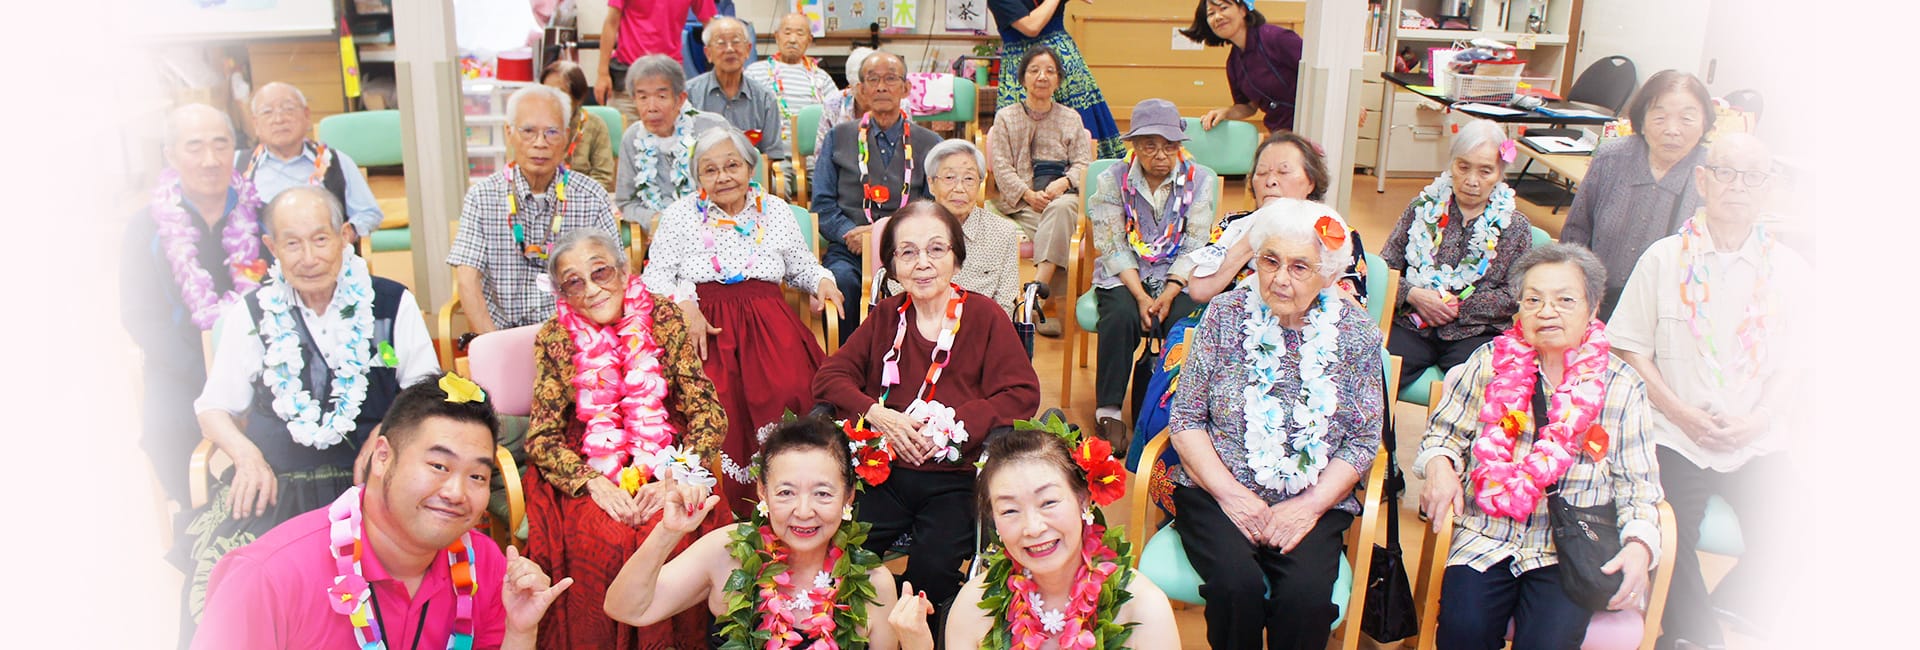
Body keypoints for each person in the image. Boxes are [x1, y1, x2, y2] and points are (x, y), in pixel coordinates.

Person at [185, 186, 441, 632]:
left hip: (369, 483)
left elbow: (427, 389)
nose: (308, 257)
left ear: (345, 236)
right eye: (292, 242)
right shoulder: (252, 313)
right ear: (271, 248)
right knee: (231, 586)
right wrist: (246, 457)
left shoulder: (391, 303)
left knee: (397, 589)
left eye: (320, 239)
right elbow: (213, 408)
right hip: (279, 482)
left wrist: (388, 431)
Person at [193, 374, 571, 649]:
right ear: (383, 457)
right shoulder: (268, 577)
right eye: (439, 466)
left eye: (476, 475)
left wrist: (520, 633)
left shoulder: (486, 565)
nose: (457, 492)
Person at [1415, 243, 1663, 650]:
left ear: (1593, 307)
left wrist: (1639, 545)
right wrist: (1440, 466)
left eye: (1565, 300)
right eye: (1533, 300)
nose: (1547, 311)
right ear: (1519, 309)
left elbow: (1639, 487)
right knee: (1463, 629)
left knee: (1550, 641)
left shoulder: (1621, 385)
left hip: (1566, 547)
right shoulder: (1488, 363)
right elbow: (1443, 434)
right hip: (1486, 536)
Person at [1609, 134, 1804, 650]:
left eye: (1752, 177)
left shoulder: (1791, 272)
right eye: (1725, 173)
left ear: (1770, 188)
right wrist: (1679, 411)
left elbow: (1794, 364)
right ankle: (1695, 638)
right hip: (1674, 434)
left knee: (1802, 521)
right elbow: (1628, 349)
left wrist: (1759, 421)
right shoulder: (1663, 259)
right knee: (1671, 535)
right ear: (1702, 180)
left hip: (1754, 436)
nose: (1737, 187)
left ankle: (1734, 602)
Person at [1162, 206, 1384, 650]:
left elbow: (1362, 439)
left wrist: (1311, 505)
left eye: (1299, 266)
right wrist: (1233, 495)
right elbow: (1186, 419)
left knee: (1305, 600)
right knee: (1235, 587)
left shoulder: (1358, 333)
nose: (1280, 278)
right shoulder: (1224, 315)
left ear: (1326, 273)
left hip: (1311, 498)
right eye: (1270, 261)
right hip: (1216, 490)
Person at [812, 201, 1042, 611]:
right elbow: (829, 378)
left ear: (956, 259)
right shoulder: (885, 315)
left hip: (954, 478)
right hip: (883, 473)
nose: (923, 263)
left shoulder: (985, 316)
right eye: (908, 252)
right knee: (839, 552)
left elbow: (1021, 392)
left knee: (932, 573)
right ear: (893, 266)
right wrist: (878, 415)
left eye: (936, 249)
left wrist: (955, 424)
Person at [522, 228, 734, 648]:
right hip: (587, 465)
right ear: (563, 295)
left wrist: (673, 475)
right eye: (574, 282)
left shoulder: (665, 316)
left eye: (600, 272)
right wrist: (594, 484)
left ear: (624, 271)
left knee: (669, 527)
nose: (592, 289)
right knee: (606, 538)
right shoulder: (553, 337)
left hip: (667, 455)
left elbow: (708, 412)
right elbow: (542, 438)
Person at [642, 127, 845, 516]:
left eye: (732, 165)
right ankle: (722, 510)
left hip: (770, 326)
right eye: (710, 170)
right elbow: (654, 279)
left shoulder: (776, 210)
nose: (723, 177)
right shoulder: (679, 216)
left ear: (750, 167)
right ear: (697, 178)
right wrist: (685, 305)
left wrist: (822, 282)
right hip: (705, 328)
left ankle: (791, 496)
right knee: (710, 403)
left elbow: (801, 266)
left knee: (791, 390)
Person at [604, 416, 902, 649]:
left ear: (848, 497)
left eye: (823, 494)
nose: (803, 510)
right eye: (786, 492)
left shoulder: (874, 583)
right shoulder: (726, 551)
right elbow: (627, 609)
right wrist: (667, 533)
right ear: (762, 492)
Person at [890, 425, 1182, 649]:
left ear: (1083, 500)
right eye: (1010, 510)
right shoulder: (974, 607)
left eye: (1048, 503)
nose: (1032, 527)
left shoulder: (1142, 608)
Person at [123, 104, 268, 507]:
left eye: (221, 145)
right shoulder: (144, 227)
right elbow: (139, 315)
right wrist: (203, 371)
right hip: (181, 365)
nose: (210, 160)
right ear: (170, 155)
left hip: (264, 359)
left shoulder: (263, 214)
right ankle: (201, 521)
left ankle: (268, 514)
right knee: (163, 431)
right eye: (195, 147)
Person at [1086, 98, 1216, 447]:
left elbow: (1195, 245)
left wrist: (1169, 293)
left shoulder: (1200, 180)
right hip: (1125, 272)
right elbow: (1112, 245)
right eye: (1150, 146)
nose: (1161, 155)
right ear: (1134, 146)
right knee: (1120, 316)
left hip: (1178, 275)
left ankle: (1167, 406)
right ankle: (1109, 411)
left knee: (1184, 320)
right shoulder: (1111, 180)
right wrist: (1143, 297)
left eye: (1169, 146)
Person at [451, 85, 623, 333]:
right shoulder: (482, 197)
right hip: (503, 334)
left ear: (566, 136)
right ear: (509, 133)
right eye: (528, 131)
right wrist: (494, 346)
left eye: (552, 132)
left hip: (577, 337)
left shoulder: (591, 195)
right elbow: (467, 279)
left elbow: (614, 273)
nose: (540, 143)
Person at [1381, 118, 1532, 392]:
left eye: (1485, 171)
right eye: (1463, 167)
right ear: (1451, 163)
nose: (1471, 181)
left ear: (1500, 173)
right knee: (1372, 369)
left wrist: (1454, 307)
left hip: (1476, 333)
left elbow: (1513, 296)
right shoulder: (1421, 208)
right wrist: (1413, 295)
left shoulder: (1515, 226)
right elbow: (1384, 270)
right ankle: (1380, 436)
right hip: (1413, 324)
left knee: (1480, 385)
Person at [1560, 70, 1716, 320]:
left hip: (1673, 312)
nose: (1672, 130)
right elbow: (1576, 233)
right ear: (1641, 121)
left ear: (1705, 123)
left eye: (1687, 118)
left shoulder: (1713, 173)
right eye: (1660, 117)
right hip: (1599, 304)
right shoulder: (1611, 158)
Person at [811, 50, 943, 341]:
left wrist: (883, 235)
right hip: (850, 249)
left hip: (910, 249)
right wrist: (850, 234)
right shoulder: (838, 137)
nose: (882, 86)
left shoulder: (930, 143)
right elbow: (822, 204)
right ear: (859, 89)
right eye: (873, 79)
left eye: (890, 78)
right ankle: (847, 365)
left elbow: (934, 207)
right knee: (841, 281)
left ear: (906, 88)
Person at [1177, 130, 1369, 305]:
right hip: (1225, 329)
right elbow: (1199, 291)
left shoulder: (1334, 232)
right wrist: (1254, 235)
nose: (1270, 181)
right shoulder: (1233, 224)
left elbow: (1353, 315)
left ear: (1311, 182)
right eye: (1261, 173)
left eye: (1284, 171)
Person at [986, 45, 1091, 335]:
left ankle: (1034, 294)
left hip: (1063, 198)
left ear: (1058, 79)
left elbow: (1084, 162)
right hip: (1021, 203)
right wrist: (1028, 194)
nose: (1042, 76)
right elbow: (1002, 166)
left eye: (1049, 71)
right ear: (1023, 79)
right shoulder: (1006, 117)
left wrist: (1064, 182)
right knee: (1060, 227)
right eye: (1034, 70)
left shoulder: (1071, 118)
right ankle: (1042, 301)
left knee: (1060, 211)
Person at [889, 138, 1021, 313]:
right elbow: (899, 291)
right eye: (950, 178)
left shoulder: (1003, 232)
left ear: (980, 184)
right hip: (920, 327)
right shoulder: (907, 228)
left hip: (980, 332)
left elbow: (1005, 304)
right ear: (931, 183)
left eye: (969, 179)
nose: (959, 188)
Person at [240, 82, 384, 241]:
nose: (279, 119)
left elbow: (370, 214)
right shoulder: (238, 165)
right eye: (267, 112)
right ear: (256, 124)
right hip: (260, 262)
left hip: (327, 261)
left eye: (288, 109)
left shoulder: (336, 162)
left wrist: (345, 235)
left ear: (307, 116)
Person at [988, 0, 1124, 158]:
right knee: (1022, 128)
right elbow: (1031, 26)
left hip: (1063, 64)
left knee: (1080, 129)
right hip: (1024, 66)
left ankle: (1082, 176)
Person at [613, 54, 731, 230]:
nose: (651, 107)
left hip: (714, 227)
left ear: (680, 99)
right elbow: (626, 201)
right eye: (643, 98)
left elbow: (733, 186)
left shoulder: (713, 128)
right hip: (659, 236)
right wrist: (657, 221)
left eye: (661, 97)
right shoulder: (632, 138)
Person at [1183, 0, 1304, 133]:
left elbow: (1315, 78)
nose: (1217, 17)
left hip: (1311, 124)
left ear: (1243, 10)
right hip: (1281, 133)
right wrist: (1225, 112)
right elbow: (1249, 107)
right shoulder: (1233, 64)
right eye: (1211, 13)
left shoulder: (1276, 37)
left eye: (1223, 8)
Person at [684, 17, 791, 167]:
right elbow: (683, 150)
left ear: (748, 50)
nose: (729, 49)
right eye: (721, 43)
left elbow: (771, 156)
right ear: (708, 53)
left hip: (751, 181)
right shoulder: (689, 95)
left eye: (736, 42)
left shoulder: (765, 99)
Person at [596, 0, 717, 125]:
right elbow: (611, 22)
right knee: (623, 138)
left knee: (670, 139)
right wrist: (602, 73)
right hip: (628, 80)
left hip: (668, 81)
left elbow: (710, 24)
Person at [744, 13, 839, 149]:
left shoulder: (822, 78)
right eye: (787, 33)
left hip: (815, 158)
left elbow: (836, 116)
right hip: (770, 156)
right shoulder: (754, 73)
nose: (793, 40)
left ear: (809, 40)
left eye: (800, 34)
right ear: (777, 37)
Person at [542, 60, 618, 192]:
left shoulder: (595, 125)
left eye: (560, 93)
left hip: (585, 202)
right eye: (546, 92)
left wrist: (576, 200)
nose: (551, 99)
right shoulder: (533, 125)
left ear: (577, 96)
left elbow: (603, 177)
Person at [813, 46, 874, 154]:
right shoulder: (833, 104)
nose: (869, 93)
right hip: (842, 168)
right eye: (861, 88)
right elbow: (821, 153)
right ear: (850, 86)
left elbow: (905, 152)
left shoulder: (898, 104)